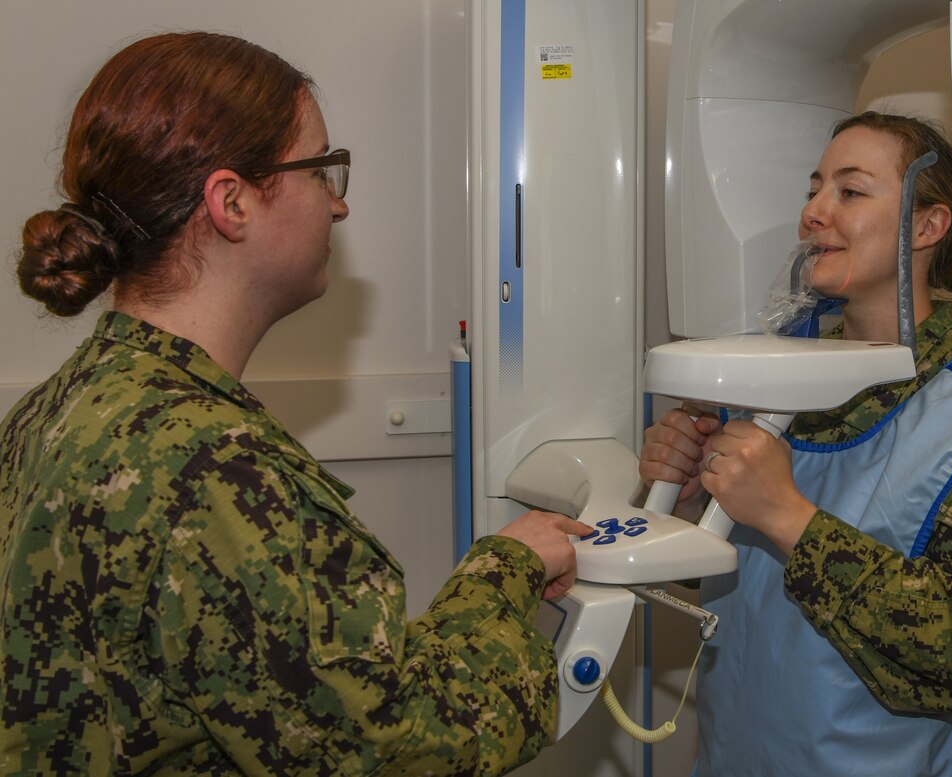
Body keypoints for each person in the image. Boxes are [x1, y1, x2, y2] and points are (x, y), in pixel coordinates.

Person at [0, 32, 592, 776]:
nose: (338, 205)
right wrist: (503, 576)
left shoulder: (57, 408)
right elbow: (392, 747)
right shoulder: (213, 469)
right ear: (232, 202)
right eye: (320, 170)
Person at [639, 111, 952, 777]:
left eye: (850, 190)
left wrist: (788, 517)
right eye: (814, 189)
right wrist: (689, 504)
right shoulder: (770, 381)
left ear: (927, 227)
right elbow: (735, 585)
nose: (813, 212)